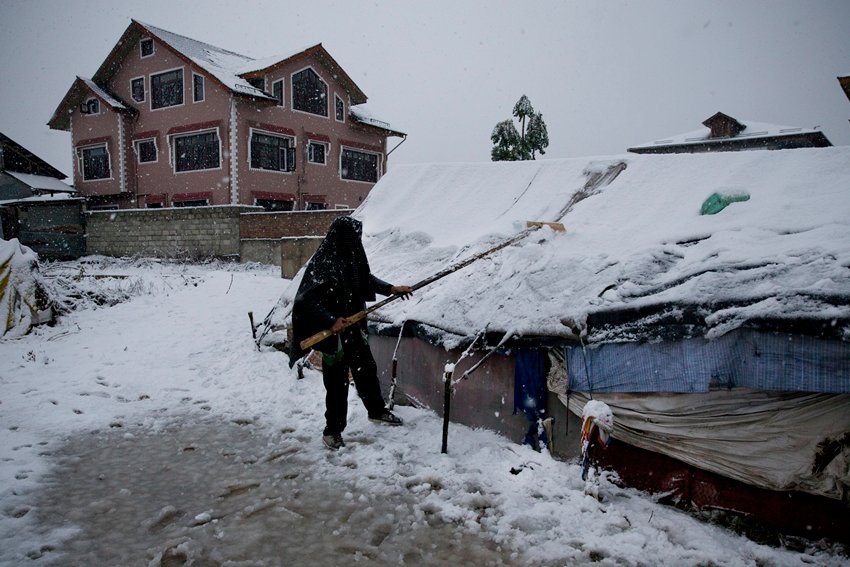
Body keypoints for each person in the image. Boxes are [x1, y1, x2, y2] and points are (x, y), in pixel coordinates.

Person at [288, 216, 412, 450]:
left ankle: (376, 411)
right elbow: (307, 299)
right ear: (342, 237)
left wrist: (391, 289)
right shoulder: (324, 262)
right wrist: (330, 320)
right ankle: (332, 431)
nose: (357, 241)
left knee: (366, 371)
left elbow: (365, 280)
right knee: (337, 384)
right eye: (354, 237)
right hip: (333, 335)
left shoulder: (353, 257)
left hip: (354, 327)